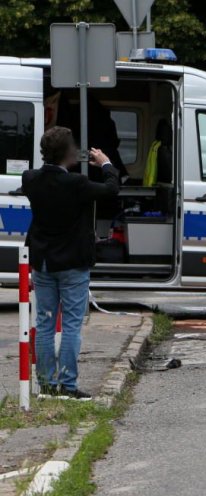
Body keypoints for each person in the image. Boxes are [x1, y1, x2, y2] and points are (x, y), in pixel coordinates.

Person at [23, 126, 120, 399]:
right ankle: (67, 385)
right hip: (73, 263)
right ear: (68, 153)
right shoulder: (76, 184)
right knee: (72, 324)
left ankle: (45, 384)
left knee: (44, 322)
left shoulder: (30, 178)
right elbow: (112, 190)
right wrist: (106, 164)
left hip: (43, 262)